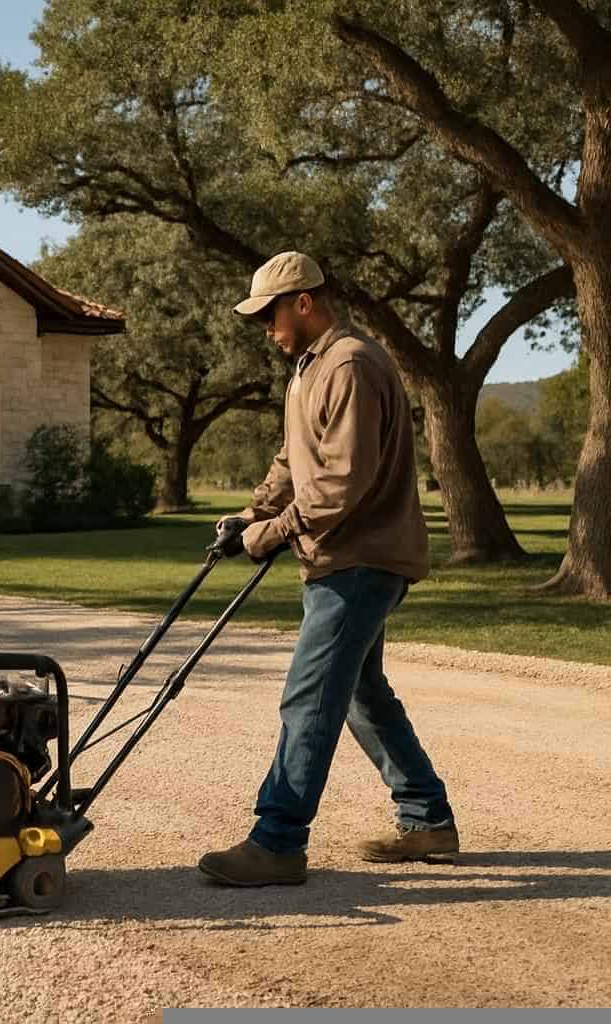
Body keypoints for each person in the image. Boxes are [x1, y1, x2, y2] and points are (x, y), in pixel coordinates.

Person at [196, 251, 458, 887]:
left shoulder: (350, 365)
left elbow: (341, 483)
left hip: (361, 560)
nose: (266, 328)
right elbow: (295, 461)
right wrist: (249, 514)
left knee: (311, 695)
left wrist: (270, 533)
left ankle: (278, 842)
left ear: (304, 302)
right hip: (343, 559)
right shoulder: (311, 369)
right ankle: (428, 820)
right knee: (361, 692)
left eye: (270, 315)